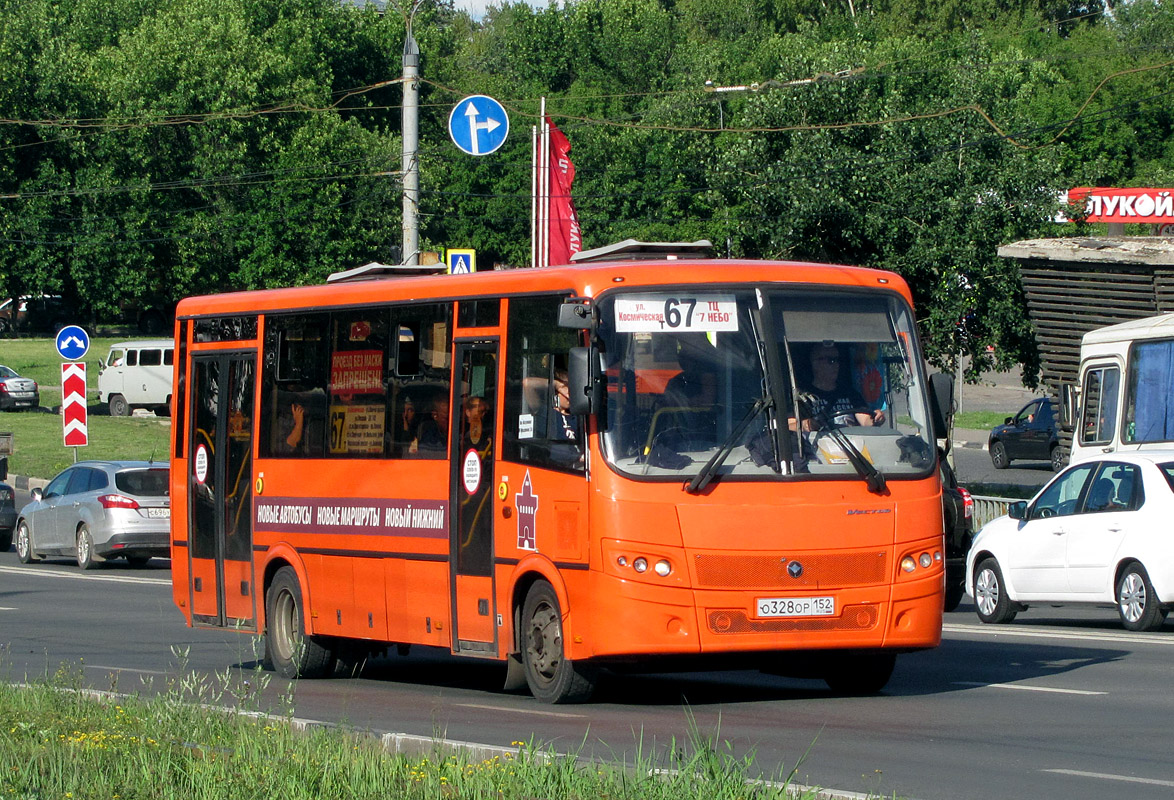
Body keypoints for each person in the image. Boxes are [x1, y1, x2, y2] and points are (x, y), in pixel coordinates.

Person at [795, 343, 881, 431]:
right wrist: (808, 424)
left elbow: (866, 420)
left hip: (849, 443)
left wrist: (875, 418)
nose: (836, 365)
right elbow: (788, 424)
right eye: (831, 360)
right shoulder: (802, 397)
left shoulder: (850, 394)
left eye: (838, 360)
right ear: (815, 363)